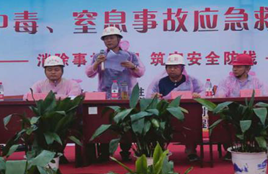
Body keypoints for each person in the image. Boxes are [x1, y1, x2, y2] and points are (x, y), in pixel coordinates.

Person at [85, 26, 145, 161]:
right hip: (105, 95)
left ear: (119, 39)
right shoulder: (99, 56)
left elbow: (141, 72)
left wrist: (132, 66)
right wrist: (97, 63)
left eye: (111, 38)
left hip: (126, 95)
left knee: (126, 123)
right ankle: (104, 152)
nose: (108, 41)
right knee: (105, 122)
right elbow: (89, 73)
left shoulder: (130, 55)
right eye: (106, 38)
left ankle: (126, 151)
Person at [147, 54, 203, 162]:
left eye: (175, 67)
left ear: (182, 68)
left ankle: (191, 151)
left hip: (187, 113)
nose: (172, 69)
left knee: (192, 122)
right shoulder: (160, 81)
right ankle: (161, 150)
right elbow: (150, 95)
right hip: (165, 114)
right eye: (169, 67)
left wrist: (198, 95)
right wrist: (154, 96)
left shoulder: (191, 80)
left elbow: (203, 92)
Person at [215, 53, 265, 160]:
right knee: (224, 120)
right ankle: (231, 149)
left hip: (252, 115)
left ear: (248, 68)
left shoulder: (257, 81)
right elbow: (220, 96)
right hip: (233, 115)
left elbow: (266, 97)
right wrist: (222, 95)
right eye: (234, 66)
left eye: (238, 67)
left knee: (262, 118)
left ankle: (258, 147)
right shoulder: (226, 81)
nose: (235, 69)